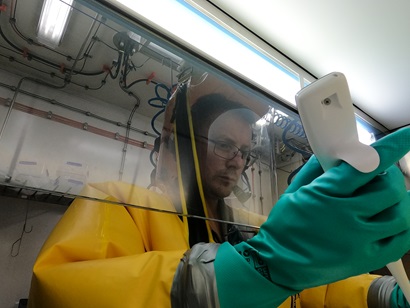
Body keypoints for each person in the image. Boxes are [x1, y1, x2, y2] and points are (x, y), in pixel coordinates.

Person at [28, 82, 410, 307]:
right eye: (224, 145)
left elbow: (320, 288)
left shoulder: (253, 228)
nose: (236, 162)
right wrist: (251, 271)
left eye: (243, 152)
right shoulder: (121, 205)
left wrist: (388, 294)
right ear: (182, 146)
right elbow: (65, 292)